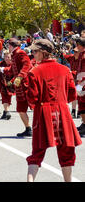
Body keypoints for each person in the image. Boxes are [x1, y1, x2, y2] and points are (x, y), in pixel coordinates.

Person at [26, 39, 82, 183]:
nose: (33, 54)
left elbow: (32, 98)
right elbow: (72, 95)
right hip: (63, 113)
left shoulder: (34, 71)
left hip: (43, 113)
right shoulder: (65, 69)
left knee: (37, 152)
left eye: (35, 51)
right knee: (66, 152)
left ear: (43, 53)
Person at [0, 38, 33, 137]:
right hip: (19, 86)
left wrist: (20, 76)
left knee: (35, 107)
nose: (8, 47)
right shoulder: (15, 54)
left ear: (11, 46)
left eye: (8, 45)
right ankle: (28, 129)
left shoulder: (20, 53)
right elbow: (12, 69)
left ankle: (42, 129)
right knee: (21, 109)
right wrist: (2, 69)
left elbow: (27, 65)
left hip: (26, 85)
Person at [0, 50, 14, 120]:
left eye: (8, 57)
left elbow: (15, 73)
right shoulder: (1, 63)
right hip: (3, 82)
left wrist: (12, 81)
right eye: (5, 57)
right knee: (4, 97)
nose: (7, 58)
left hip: (11, 83)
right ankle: (6, 111)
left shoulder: (13, 64)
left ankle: (6, 111)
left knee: (9, 97)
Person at [74, 37, 85, 137]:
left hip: (83, 83)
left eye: (78, 44)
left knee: (83, 103)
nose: (77, 46)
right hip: (80, 82)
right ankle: (84, 123)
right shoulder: (81, 54)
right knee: (80, 103)